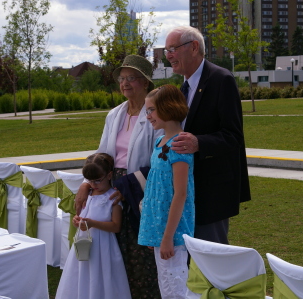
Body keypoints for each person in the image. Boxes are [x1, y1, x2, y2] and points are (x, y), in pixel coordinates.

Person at [75, 55, 162, 298]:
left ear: (145, 82)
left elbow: (160, 159)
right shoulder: (114, 114)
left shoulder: (157, 112)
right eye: (122, 79)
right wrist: (86, 183)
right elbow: (102, 154)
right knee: (117, 251)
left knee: (141, 253)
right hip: (112, 187)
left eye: (131, 78)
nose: (124, 83)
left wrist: (130, 185)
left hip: (141, 190)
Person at [165, 26, 251, 244]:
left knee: (211, 258)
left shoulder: (221, 80)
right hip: (184, 189)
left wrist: (198, 143)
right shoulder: (182, 87)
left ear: (194, 47)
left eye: (173, 48)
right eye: (166, 50)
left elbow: (233, 136)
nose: (168, 55)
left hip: (211, 192)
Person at [138, 85, 194, 298]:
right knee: (166, 284)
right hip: (160, 231)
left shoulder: (179, 144)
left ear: (168, 108)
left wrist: (168, 237)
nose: (148, 115)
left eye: (151, 110)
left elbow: (180, 194)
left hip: (174, 234)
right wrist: (157, 234)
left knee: (176, 287)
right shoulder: (160, 143)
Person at [56, 153, 131, 299]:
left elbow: (116, 226)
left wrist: (92, 223)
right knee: (81, 274)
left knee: (100, 276)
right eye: (90, 181)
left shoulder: (113, 197)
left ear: (109, 175)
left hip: (103, 246)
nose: (93, 185)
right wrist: (77, 221)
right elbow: (83, 215)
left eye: (97, 181)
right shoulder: (88, 194)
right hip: (84, 244)